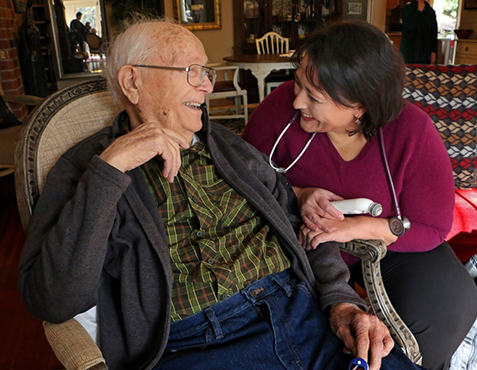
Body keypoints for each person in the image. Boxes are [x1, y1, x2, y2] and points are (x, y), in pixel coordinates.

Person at [17, 18, 425, 370]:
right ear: (132, 81)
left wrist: (340, 302)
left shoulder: (230, 149)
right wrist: (110, 170)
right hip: (194, 345)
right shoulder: (87, 168)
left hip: (302, 317)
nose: (208, 87)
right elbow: (53, 300)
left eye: (206, 73)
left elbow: (305, 224)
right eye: (192, 72)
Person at [242, 21, 477, 370]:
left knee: (447, 305)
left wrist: (356, 227)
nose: (297, 100)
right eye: (299, 85)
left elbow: (432, 226)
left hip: (387, 244)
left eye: (314, 97)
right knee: (305, 335)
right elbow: (239, 178)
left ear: (359, 104)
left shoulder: (411, 130)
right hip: (300, 245)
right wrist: (299, 193)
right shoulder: (281, 111)